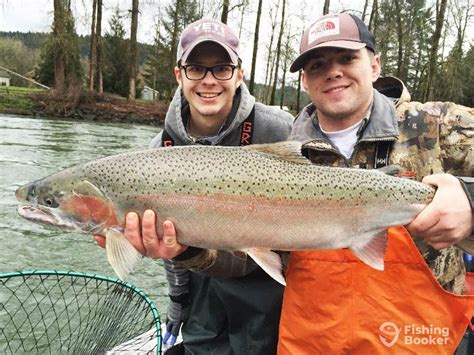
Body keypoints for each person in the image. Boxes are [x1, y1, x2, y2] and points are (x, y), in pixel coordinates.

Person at [276, 12, 474, 353]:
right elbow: (248, 252)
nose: (333, 71)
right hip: (312, 344)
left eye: (347, 58)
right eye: (317, 65)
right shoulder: (281, 154)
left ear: (375, 66)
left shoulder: (438, 125)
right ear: (305, 82)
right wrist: (187, 249)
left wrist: (471, 199)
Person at [97, 18, 293, 355]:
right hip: (204, 297)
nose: (208, 81)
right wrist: (177, 305)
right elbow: (170, 250)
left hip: (274, 297)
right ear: (179, 75)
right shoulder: (159, 149)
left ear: (239, 74)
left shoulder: (278, 128)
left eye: (221, 68)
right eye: (196, 69)